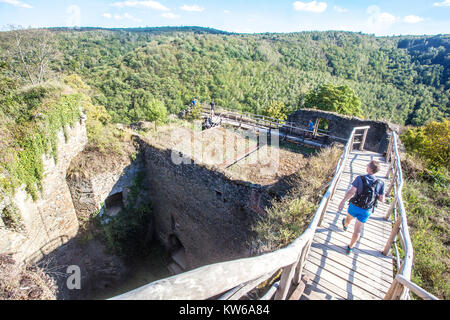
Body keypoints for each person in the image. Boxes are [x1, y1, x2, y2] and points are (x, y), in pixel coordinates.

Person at [338, 160, 385, 255]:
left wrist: (343, 201)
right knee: (357, 230)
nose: (366, 166)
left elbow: (351, 191)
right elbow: (381, 199)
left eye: (367, 165)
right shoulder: (380, 182)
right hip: (367, 209)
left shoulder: (360, 178)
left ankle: (345, 225)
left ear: (370, 169)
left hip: (355, 205)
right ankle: (350, 247)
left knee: (348, 218)